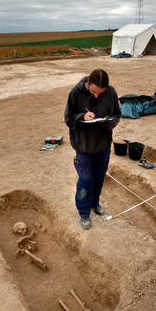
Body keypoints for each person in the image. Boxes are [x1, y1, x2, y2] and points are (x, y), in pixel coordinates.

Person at [64, 69, 121, 229]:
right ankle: (83, 212)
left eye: (100, 93)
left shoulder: (111, 92)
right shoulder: (76, 92)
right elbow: (68, 119)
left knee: (99, 177)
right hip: (83, 146)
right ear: (88, 82)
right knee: (86, 180)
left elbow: (117, 115)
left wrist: (107, 122)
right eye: (93, 91)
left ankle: (95, 203)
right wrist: (82, 116)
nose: (96, 96)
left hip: (103, 145)